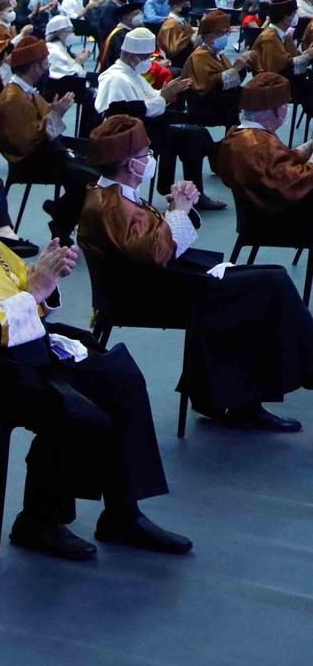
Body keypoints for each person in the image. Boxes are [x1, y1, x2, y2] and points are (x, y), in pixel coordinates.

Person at [0, 138, 188, 560]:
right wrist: (35, 292)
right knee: (78, 412)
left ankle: (123, 512)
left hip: (13, 350)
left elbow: (22, 294)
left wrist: (45, 281)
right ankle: (38, 521)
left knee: (119, 376)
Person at [80, 114, 311, 432]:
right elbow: (157, 253)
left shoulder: (112, 196)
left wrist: (176, 207)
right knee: (269, 284)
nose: (150, 160)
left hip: (149, 283)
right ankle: (255, 395)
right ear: (130, 164)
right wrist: (179, 210)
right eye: (145, 156)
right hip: (145, 294)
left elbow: (146, 246)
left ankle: (232, 396)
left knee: (267, 276)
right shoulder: (112, 205)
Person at [0, 38, 97, 242]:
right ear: (36, 67)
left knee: (92, 169)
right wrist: (56, 113)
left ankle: (61, 214)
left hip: (43, 152)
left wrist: (55, 112)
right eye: (45, 63)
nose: (47, 68)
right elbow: (28, 141)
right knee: (88, 179)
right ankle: (62, 218)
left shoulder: (24, 92)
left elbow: (41, 122)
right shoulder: (13, 98)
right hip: (29, 161)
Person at [94, 26, 208, 198]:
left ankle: (174, 187)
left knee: (192, 126)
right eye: (147, 57)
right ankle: (186, 192)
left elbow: (149, 97)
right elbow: (126, 112)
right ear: (133, 56)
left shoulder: (132, 73)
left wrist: (167, 93)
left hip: (147, 125)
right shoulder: (115, 78)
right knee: (194, 136)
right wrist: (163, 97)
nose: (150, 61)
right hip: (130, 135)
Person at [212, 70, 313, 221]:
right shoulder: (259, 143)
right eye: (285, 105)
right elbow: (294, 183)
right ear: (278, 111)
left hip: (256, 213)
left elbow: (281, 163)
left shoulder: (238, 136)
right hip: (278, 218)